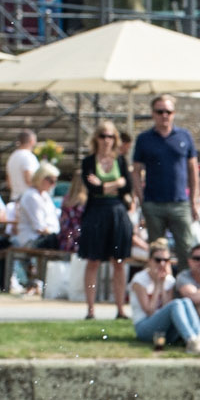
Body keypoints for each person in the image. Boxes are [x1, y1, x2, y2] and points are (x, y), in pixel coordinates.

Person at [132, 98, 200, 262]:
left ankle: (183, 285)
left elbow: (193, 169)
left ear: (174, 114)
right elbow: (135, 171)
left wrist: (194, 200)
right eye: (160, 111)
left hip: (180, 202)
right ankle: (159, 286)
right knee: (157, 251)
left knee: (186, 248)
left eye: (168, 112)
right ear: (153, 114)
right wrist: (142, 200)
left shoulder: (184, 136)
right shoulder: (144, 138)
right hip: (153, 203)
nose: (164, 115)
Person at [78, 121, 133, 321]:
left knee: (118, 261)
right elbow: (93, 189)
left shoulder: (120, 161)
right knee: (93, 261)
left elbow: (128, 187)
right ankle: (91, 309)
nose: (106, 140)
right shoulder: (88, 162)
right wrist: (115, 184)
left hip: (117, 211)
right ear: (96, 138)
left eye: (110, 136)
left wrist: (104, 185)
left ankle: (120, 308)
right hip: (96, 212)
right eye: (103, 136)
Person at [130, 240, 200, 355]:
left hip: (163, 330)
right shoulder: (139, 280)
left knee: (186, 301)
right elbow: (149, 312)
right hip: (144, 328)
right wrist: (158, 285)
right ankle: (191, 341)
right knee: (177, 303)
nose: (162, 264)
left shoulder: (169, 280)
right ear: (149, 261)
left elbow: (166, 308)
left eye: (166, 260)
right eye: (158, 260)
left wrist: (163, 285)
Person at [7, 160, 60, 295]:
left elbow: (53, 222)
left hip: (45, 236)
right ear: (41, 178)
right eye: (50, 180)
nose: (53, 184)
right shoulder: (31, 196)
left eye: (55, 181)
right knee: (62, 241)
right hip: (32, 239)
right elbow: (39, 226)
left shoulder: (45, 196)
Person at [5, 129, 41, 205]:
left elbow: (8, 183)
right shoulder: (28, 156)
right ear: (32, 141)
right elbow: (29, 179)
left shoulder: (12, 156)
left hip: (14, 199)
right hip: (28, 201)